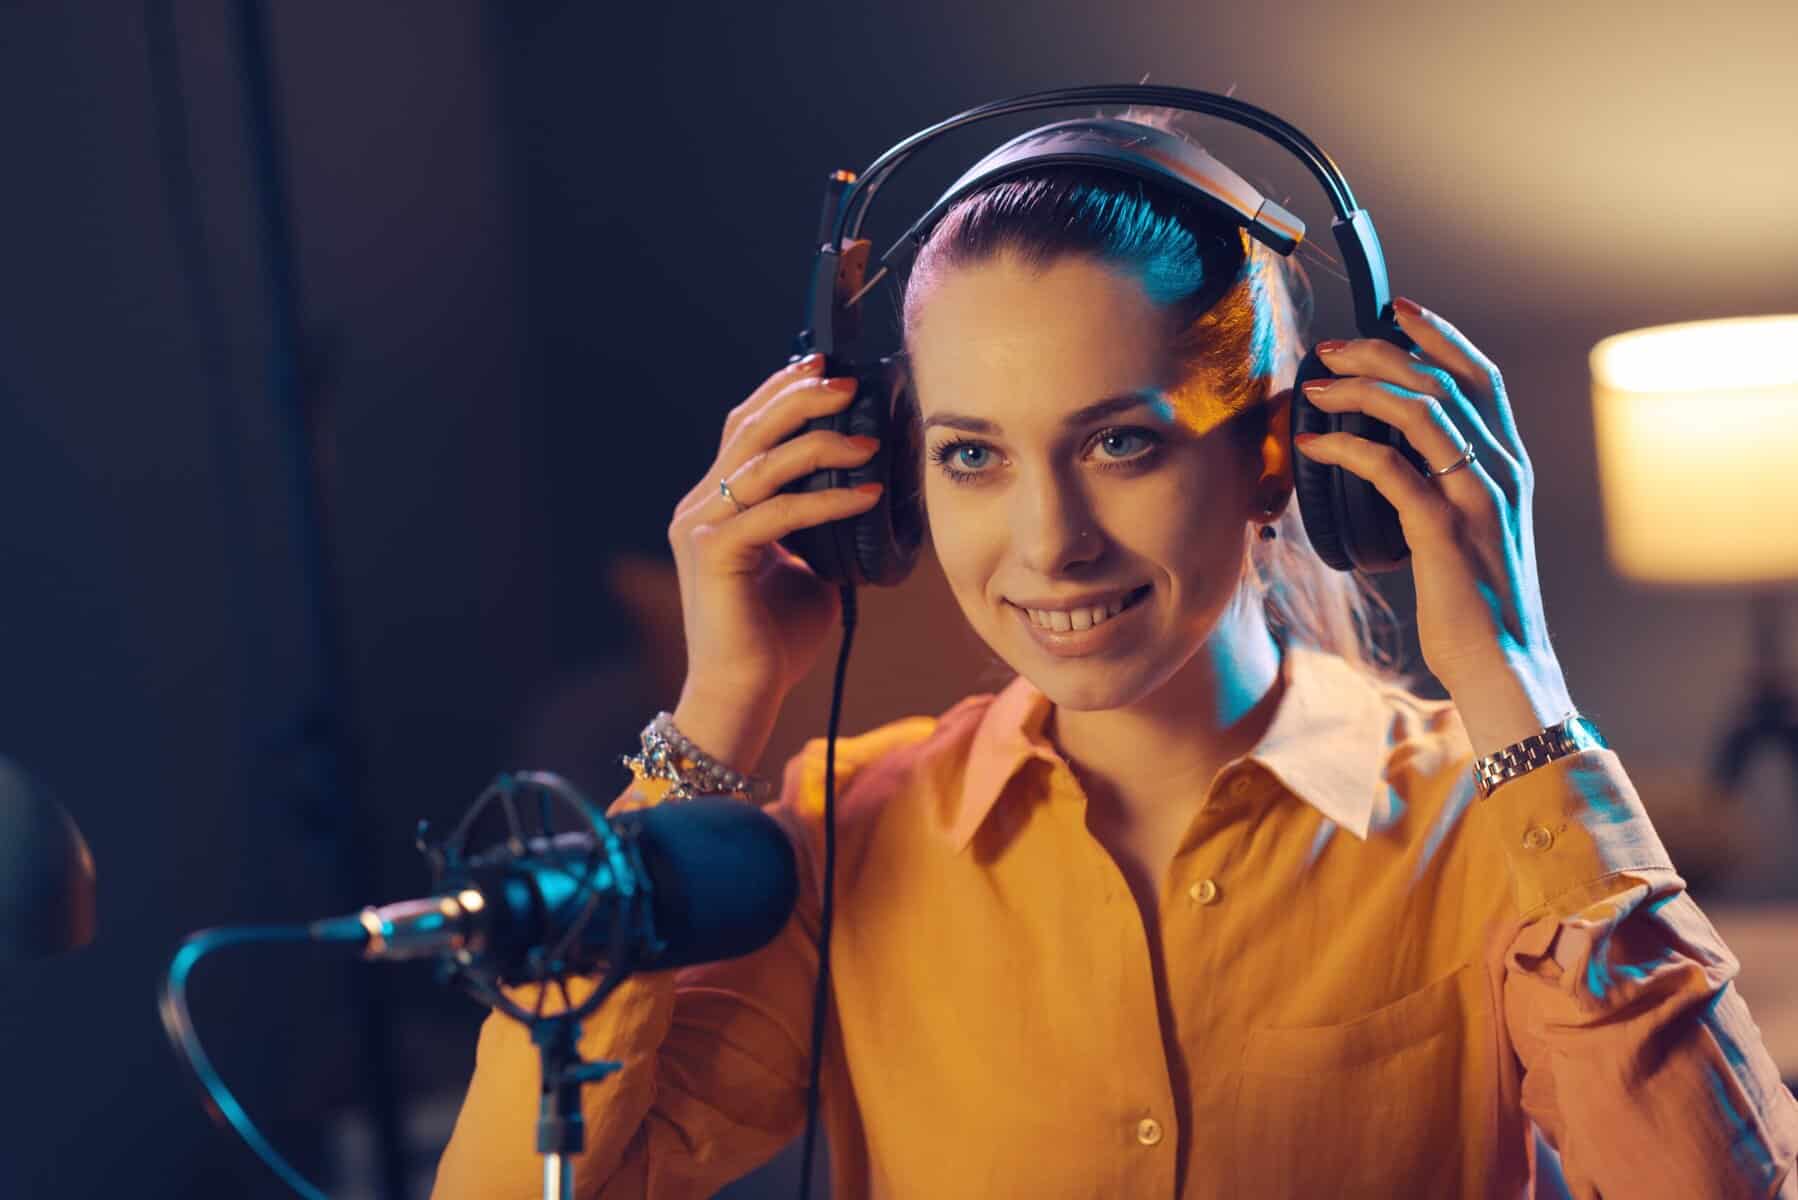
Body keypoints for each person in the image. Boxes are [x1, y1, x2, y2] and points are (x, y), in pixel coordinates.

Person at [430, 107, 1798, 1198]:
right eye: (971, 454)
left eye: (1119, 442)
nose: (1049, 543)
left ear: (1282, 456)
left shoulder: (1489, 827)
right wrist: (719, 703)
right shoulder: (845, 836)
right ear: (897, 485)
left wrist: (1513, 679)